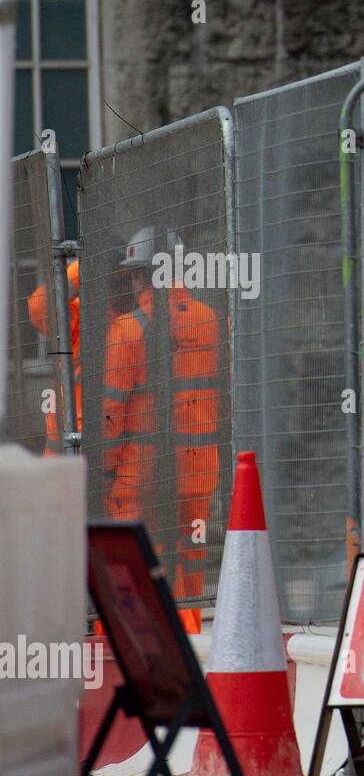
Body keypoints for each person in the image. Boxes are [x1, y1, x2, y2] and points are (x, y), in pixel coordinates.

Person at [103, 227, 221, 633]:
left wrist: (105, 468)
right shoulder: (207, 319)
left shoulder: (127, 329)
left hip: (143, 470)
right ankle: (189, 640)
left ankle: (143, 648)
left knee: (139, 562)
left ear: (142, 275)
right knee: (190, 558)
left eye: (134, 274)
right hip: (200, 467)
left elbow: (112, 411)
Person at [25, 259, 82, 455]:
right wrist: (81, 269)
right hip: (63, 459)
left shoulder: (138, 324)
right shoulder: (80, 317)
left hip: (111, 464)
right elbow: (39, 306)